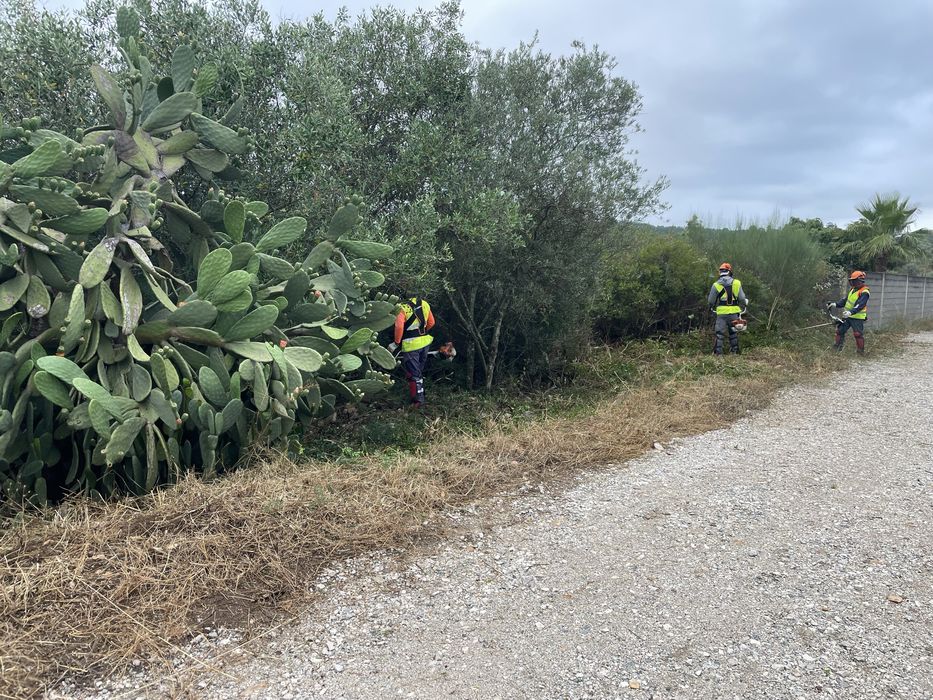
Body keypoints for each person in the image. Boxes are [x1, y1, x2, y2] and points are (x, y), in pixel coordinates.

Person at [389, 296, 435, 407]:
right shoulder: (424, 303)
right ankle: (421, 394)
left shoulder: (402, 307)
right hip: (425, 342)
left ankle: (417, 402)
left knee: (413, 374)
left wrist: (396, 343)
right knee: (418, 372)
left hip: (411, 345)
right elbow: (431, 322)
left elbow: (399, 327)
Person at [707, 262, 748, 355]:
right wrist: (744, 305)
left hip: (721, 313)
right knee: (733, 333)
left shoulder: (716, 285)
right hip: (734, 313)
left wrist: (711, 307)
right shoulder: (737, 283)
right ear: (730, 271)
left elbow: (710, 301)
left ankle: (718, 354)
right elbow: (742, 298)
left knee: (719, 334)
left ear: (720, 272)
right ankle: (735, 353)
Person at [827, 271, 869, 354]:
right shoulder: (852, 289)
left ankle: (860, 352)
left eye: (854, 280)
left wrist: (851, 312)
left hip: (857, 318)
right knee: (840, 331)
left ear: (860, 280)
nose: (853, 282)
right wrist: (835, 304)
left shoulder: (865, 292)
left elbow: (860, 305)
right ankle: (837, 348)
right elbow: (845, 300)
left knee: (858, 334)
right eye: (852, 281)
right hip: (847, 316)